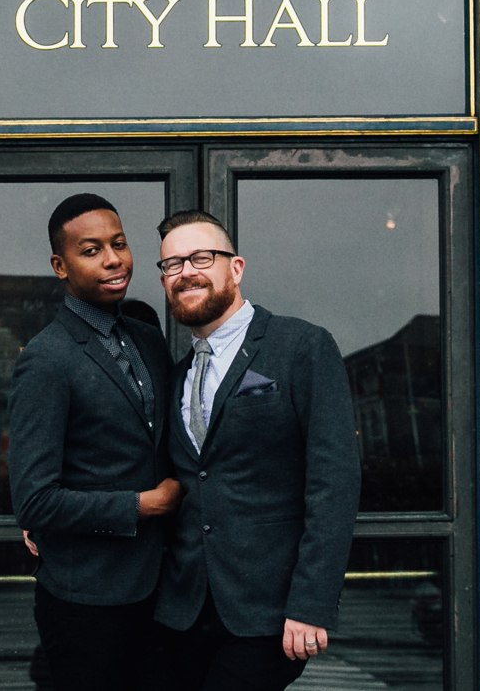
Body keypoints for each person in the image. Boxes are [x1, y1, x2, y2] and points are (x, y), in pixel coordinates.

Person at [151, 208, 359, 691]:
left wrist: (311, 605)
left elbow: (334, 483)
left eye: (201, 257)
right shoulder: (177, 373)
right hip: (181, 613)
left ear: (236, 268)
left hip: (269, 614)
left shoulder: (301, 347)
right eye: (172, 265)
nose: (186, 273)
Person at [9, 192, 182, 691]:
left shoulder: (147, 337)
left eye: (119, 244)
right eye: (91, 250)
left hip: (161, 591)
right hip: (86, 603)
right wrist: (142, 506)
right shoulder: (46, 359)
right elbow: (35, 500)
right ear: (60, 266)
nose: (113, 259)